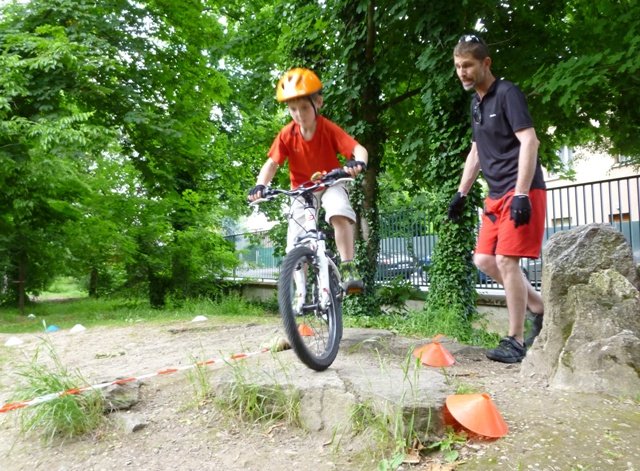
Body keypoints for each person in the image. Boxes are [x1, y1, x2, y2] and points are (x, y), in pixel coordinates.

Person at [448, 34, 546, 363]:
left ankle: (515, 340)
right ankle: (539, 307)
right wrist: (462, 192)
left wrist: (521, 194)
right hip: (495, 195)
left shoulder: (507, 93)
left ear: (485, 63)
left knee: (506, 261)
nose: (462, 72)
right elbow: (477, 150)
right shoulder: (475, 103)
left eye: (468, 65)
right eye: (458, 66)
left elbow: (529, 142)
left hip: (521, 190)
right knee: (484, 261)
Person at [248, 67, 368, 293]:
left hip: (331, 182)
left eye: (304, 107)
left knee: (338, 211)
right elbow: (272, 163)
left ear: (318, 103)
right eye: (293, 109)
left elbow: (358, 149)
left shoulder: (328, 129)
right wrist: (260, 185)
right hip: (302, 190)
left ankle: (348, 266)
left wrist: (358, 162)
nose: (298, 114)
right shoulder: (286, 134)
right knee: (295, 242)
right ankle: (300, 295)